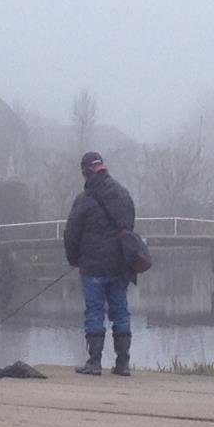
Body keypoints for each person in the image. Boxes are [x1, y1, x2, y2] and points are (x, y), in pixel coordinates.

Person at [64, 152, 136, 376]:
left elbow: (71, 234)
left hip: (93, 267)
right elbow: (129, 227)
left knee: (94, 312)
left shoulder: (84, 200)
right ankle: (122, 364)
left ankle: (94, 363)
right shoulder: (123, 195)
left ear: (85, 173)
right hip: (120, 266)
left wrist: (74, 259)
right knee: (120, 312)